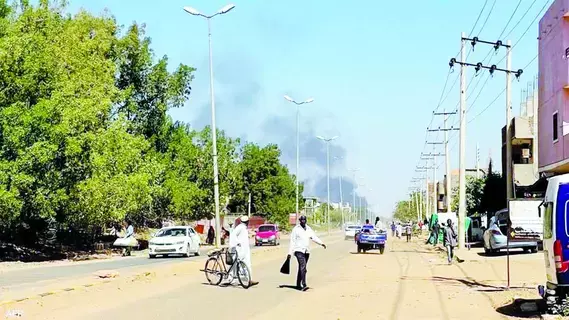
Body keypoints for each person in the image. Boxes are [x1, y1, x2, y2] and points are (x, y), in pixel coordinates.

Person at [288, 215, 326, 291]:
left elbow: (314, 237)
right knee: (303, 266)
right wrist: (290, 253)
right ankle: (304, 284)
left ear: (306, 220)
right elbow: (292, 241)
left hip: (306, 251)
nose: (303, 221)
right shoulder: (296, 229)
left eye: (304, 220)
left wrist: (321, 243)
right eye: (302, 220)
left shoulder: (308, 229)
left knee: (302, 268)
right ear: (300, 221)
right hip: (298, 250)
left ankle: (298, 284)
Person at [229, 216, 258, 286]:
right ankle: (232, 279)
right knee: (237, 265)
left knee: (246, 265)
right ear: (247, 222)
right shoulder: (240, 227)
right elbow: (233, 235)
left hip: (244, 250)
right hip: (239, 250)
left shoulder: (243, 228)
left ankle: (248, 279)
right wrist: (237, 243)